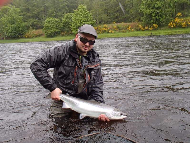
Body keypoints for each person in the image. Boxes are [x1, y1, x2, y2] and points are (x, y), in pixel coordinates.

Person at [30, 24, 110, 122]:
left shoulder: (94, 58)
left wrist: (99, 106)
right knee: (58, 124)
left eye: (91, 42)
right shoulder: (61, 51)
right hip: (62, 98)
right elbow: (36, 65)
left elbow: (97, 85)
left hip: (85, 101)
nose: (87, 44)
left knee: (94, 124)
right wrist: (52, 88)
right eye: (84, 40)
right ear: (77, 37)